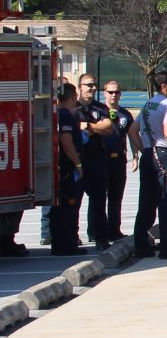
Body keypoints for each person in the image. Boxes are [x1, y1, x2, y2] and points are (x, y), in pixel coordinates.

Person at [133, 71, 167, 260]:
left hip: (149, 153)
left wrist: (144, 150)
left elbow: (133, 131)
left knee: (147, 201)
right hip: (164, 154)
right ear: (164, 86)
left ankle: (140, 244)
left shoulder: (149, 103)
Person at [73, 74, 116, 250]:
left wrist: (89, 127)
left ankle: (100, 237)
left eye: (94, 85)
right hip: (78, 159)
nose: (92, 88)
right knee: (74, 200)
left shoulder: (100, 108)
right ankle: (72, 237)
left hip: (97, 158)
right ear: (80, 87)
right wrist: (92, 127)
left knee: (99, 200)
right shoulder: (72, 108)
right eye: (88, 85)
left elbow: (108, 127)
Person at [97, 79, 138, 247]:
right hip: (101, 159)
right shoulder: (98, 111)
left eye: (117, 92)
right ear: (104, 93)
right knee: (98, 198)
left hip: (118, 159)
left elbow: (132, 135)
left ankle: (114, 230)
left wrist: (135, 156)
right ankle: (96, 232)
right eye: (110, 92)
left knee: (116, 197)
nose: (114, 95)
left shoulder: (125, 114)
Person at [49, 83, 85, 256]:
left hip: (60, 167)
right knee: (68, 206)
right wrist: (78, 164)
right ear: (72, 97)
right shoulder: (66, 115)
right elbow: (66, 141)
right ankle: (67, 245)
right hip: (68, 168)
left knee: (61, 208)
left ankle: (62, 244)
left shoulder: (57, 114)